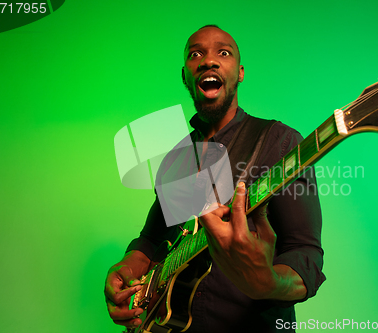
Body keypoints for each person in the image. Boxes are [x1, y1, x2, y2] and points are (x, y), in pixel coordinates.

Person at [105, 25, 325, 332]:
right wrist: (126, 268)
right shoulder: (175, 158)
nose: (208, 61)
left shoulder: (280, 143)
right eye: (196, 54)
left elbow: (306, 253)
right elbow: (153, 239)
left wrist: (270, 283)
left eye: (223, 52)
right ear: (185, 76)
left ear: (240, 72)